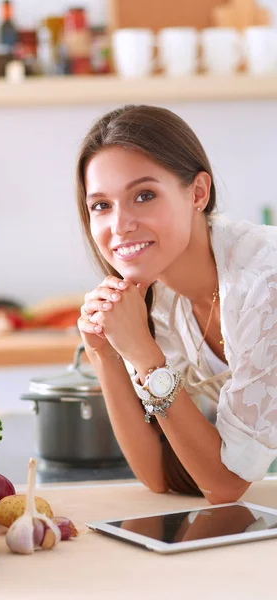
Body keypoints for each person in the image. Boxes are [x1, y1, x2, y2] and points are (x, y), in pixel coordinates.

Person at [76, 104, 277, 505]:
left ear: (198, 193)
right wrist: (104, 354)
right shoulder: (159, 295)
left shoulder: (263, 283)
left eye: (144, 195)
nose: (120, 225)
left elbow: (225, 486)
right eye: (101, 205)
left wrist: (146, 358)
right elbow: (161, 475)